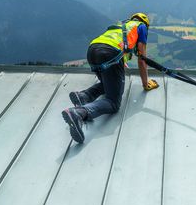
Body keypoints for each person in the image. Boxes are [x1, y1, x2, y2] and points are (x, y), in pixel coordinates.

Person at [62, 12, 159, 143]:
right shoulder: (141, 26)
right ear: (145, 23)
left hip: (92, 50)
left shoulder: (121, 26)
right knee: (113, 102)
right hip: (109, 53)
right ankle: (80, 112)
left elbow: (117, 44)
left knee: (110, 83)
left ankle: (84, 96)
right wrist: (146, 83)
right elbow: (142, 59)